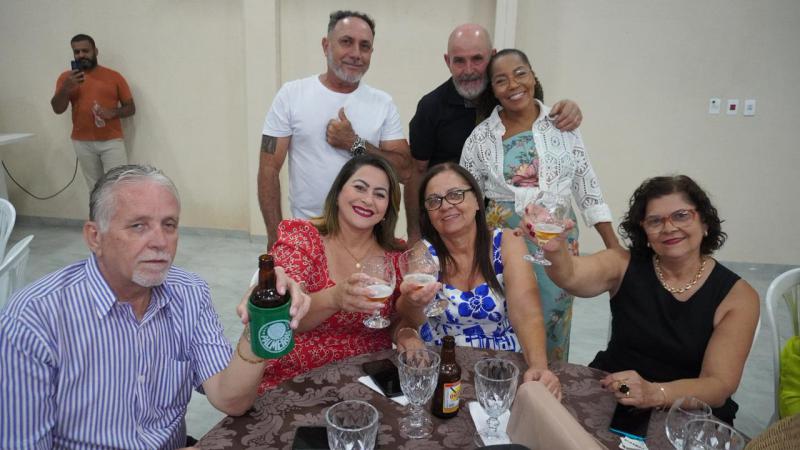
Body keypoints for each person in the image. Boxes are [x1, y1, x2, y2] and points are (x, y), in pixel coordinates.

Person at [0, 165, 310, 449]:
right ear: (95, 237)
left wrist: (259, 320)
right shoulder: (33, 319)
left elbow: (230, 399)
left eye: (169, 225)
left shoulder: (189, 293)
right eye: (138, 226)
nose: (160, 242)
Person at [536, 175, 759, 424]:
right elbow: (571, 276)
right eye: (655, 221)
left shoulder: (738, 295)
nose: (669, 228)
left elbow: (718, 385)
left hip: (688, 411)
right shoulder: (623, 263)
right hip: (615, 389)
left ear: (704, 221)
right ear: (643, 230)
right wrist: (554, 250)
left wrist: (654, 393)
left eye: (681, 215)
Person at [460, 48, 620, 362]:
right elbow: (466, 197)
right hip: (505, 242)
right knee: (507, 314)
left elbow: (586, 184)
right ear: (493, 90)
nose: (513, 84)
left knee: (553, 318)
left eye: (520, 73)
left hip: (557, 241)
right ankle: (503, 383)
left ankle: (550, 382)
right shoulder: (480, 138)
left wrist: (614, 247)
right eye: (501, 80)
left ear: (533, 76)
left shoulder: (562, 126)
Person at [257, 154, 424, 392]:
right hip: (299, 375)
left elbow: (395, 320)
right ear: (337, 194)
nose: (368, 200)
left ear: (388, 208)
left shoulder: (395, 256)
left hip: (368, 378)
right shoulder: (302, 238)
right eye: (360, 188)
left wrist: (406, 333)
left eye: (379, 194)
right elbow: (283, 315)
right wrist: (334, 298)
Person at [395, 163, 561, 399]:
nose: (445, 206)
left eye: (455, 195)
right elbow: (412, 316)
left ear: (477, 200)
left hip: (502, 368)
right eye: (434, 201)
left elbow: (526, 312)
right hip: (443, 367)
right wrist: (412, 301)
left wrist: (538, 366)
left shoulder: (507, 241)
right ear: (428, 214)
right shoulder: (423, 252)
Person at [404, 24, 583, 242]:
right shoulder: (431, 107)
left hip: (519, 224)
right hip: (451, 223)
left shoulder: (513, 95)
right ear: (447, 61)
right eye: (459, 61)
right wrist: (415, 235)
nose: (469, 70)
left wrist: (569, 108)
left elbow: (541, 127)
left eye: (477, 59)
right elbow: (416, 172)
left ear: (492, 56)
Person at [259, 10, 412, 250]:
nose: (356, 54)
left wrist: (354, 143)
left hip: (367, 237)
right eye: (346, 42)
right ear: (326, 45)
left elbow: (404, 171)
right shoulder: (292, 95)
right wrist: (275, 237)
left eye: (364, 46)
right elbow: (268, 169)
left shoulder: (383, 103)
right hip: (308, 233)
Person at [51, 34, 135, 190]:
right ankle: (97, 208)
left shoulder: (114, 76)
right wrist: (66, 88)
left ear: (95, 51)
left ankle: (118, 208)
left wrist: (113, 112)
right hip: (82, 142)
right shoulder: (66, 78)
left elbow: (130, 108)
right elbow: (57, 109)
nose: (81, 55)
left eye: (85, 51)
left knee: (119, 186)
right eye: (77, 52)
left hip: (111, 141)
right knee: (95, 188)